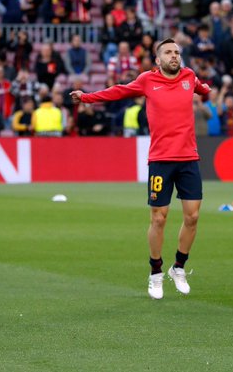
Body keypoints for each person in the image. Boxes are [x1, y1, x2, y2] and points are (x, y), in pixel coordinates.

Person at [71, 38, 211, 299]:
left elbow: (201, 88)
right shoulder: (147, 80)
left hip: (188, 158)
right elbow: (118, 91)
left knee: (192, 217)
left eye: (177, 52)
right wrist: (87, 97)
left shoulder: (189, 76)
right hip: (160, 159)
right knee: (159, 218)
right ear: (158, 59)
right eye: (168, 52)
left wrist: (204, 89)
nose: (174, 56)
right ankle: (155, 272)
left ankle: (178, 267)